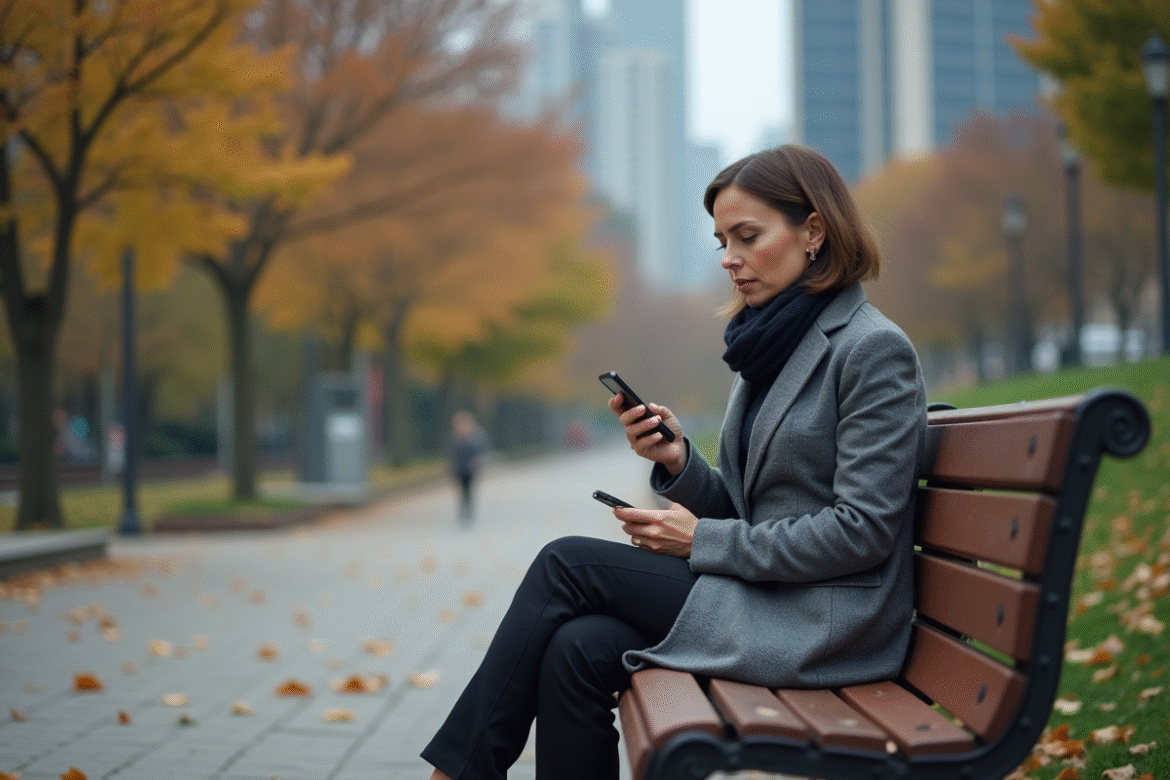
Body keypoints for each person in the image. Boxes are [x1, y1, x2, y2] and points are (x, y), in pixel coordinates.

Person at [420, 145, 927, 780]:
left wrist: (702, 539)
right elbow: (751, 509)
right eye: (722, 241)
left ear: (814, 231)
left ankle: (456, 774)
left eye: (747, 236)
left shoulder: (872, 350)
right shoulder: (771, 346)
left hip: (824, 623)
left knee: (566, 564)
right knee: (575, 648)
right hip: (769, 596)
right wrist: (680, 462)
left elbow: (863, 531)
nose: (730, 259)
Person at [449, 410, 487, 525]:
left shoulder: (476, 437)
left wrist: (478, 463)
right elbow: (451, 453)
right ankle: (464, 508)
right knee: (462, 489)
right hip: (459, 468)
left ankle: (468, 508)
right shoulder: (454, 438)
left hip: (471, 469)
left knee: (469, 489)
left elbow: (481, 451)